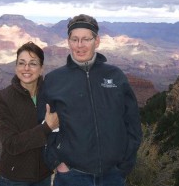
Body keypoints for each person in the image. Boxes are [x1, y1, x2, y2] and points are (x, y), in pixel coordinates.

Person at [38, 14, 142, 186]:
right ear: (68, 41)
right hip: (71, 176)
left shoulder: (115, 76)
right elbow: (43, 123)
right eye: (75, 39)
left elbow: (132, 123)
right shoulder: (54, 80)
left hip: (113, 176)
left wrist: (124, 166)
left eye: (86, 39)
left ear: (97, 41)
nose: (80, 45)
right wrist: (57, 162)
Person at [0, 41, 59, 186]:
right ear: (16, 67)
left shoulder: (50, 95)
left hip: (43, 175)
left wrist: (58, 160)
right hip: (14, 178)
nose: (26, 68)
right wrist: (46, 128)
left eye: (33, 63)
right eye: (21, 63)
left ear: (41, 69)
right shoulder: (3, 98)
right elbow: (11, 144)